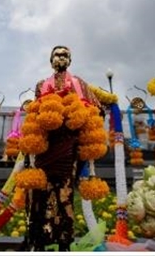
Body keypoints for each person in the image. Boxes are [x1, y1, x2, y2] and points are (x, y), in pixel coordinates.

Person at [26, 46, 100, 252]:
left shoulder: (80, 83)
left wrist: (77, 110)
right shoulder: (41, 85)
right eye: (57, 54)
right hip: (45, 147)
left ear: (70, 60)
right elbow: (34, 113)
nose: (61, 57)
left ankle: (64, 242)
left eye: (65, 55)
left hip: (69, 146)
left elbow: (96, 108)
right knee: (40, 193)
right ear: (51, 60)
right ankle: (39, 240)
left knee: (65, 193)